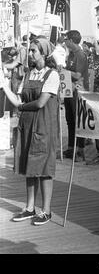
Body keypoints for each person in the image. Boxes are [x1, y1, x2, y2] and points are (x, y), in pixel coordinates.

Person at [0, 37, 60, 225]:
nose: (30, 54)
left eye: (34, 51)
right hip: (27, 125)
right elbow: (17, 100)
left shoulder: (52, 75)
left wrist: (22, 106)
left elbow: (41, 102)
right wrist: (3, 85)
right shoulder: (28, 74)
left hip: (43, 125)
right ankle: (29, 207)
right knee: (29, 165)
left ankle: (46, 210)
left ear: (43, 53)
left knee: (43, 167)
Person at [63, 30, 89, 162]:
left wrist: (63, 70)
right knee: (70, 120)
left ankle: (80, 150)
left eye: (66, 40)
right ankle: (71, 147)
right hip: (68, 90)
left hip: (78, 91)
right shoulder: (72, 55)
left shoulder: (80, 55)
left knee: (77, 120)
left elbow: (78, 75)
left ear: (71, 41)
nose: (65, 42)